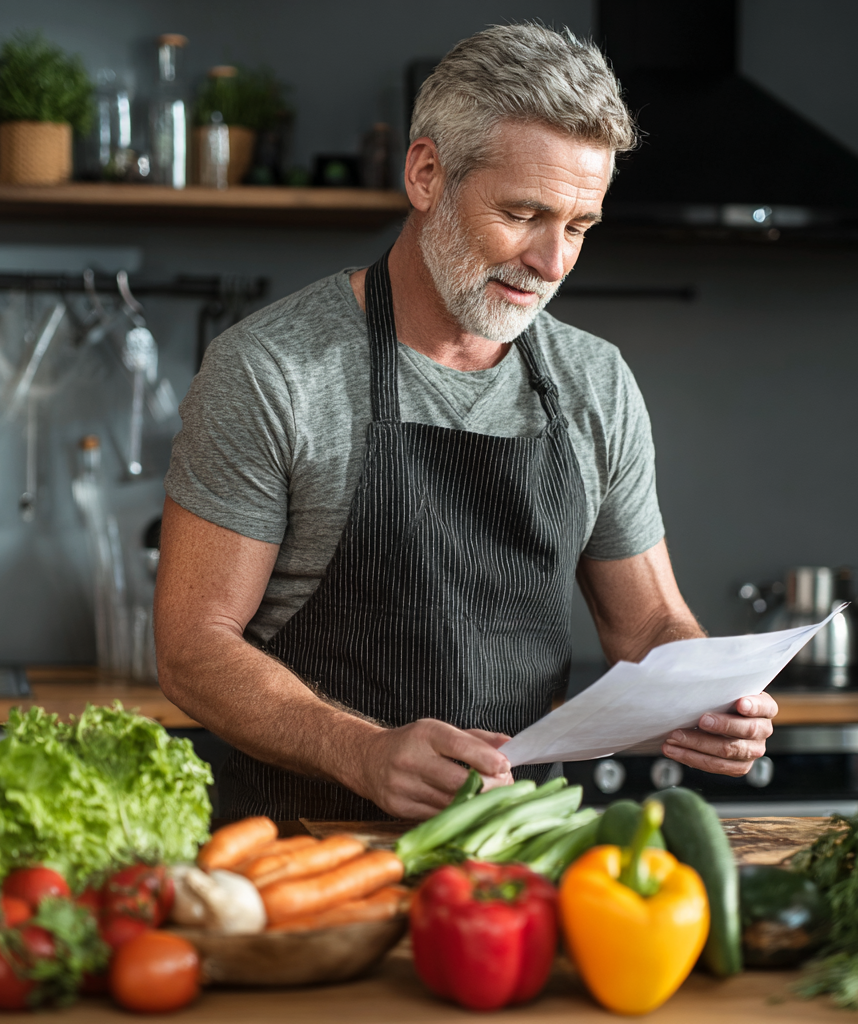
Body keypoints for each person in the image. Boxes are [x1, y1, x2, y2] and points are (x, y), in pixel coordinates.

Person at [155, 23, 777, 822]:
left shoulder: (596, 383)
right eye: (523, 214)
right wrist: (362, 750)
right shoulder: (272, 371)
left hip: (510, 856)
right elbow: (193, 648)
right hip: (303, 858)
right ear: (425, 173)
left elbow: (648, 621)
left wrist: (704, 689)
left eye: (579, 227)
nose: (553, 263)